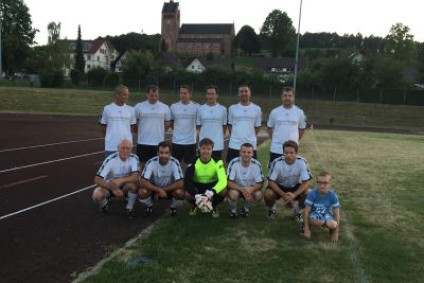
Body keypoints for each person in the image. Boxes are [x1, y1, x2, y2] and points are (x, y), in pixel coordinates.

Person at [264, 140, 312, 221]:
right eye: (286, 152)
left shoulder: (302, 162)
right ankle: (271, 209)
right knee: (268, 194)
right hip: (280, 186)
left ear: (296, 153)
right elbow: (271, 181)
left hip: (295, 185)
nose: (288, 155)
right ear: (283, 152)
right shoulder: (277, 162)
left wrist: (294, 194)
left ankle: (298, 210)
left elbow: (306, 182)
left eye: (291, 153)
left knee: (310, 193)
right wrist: (283, 194)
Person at [92, 139, 140, 218]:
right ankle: (104, 204)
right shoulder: (110, 160)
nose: (125, 150)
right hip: (110, 186)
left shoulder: (134, 158)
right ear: (118, 148)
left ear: (131, 149)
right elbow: (97, 179)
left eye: (128, 148)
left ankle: (129, 208)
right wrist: (114, 189)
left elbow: (136, 176)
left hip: (125, 186)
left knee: (134, 185)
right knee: (97, 194)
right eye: (123, 148)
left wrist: (121, 180)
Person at [138, 141, 185, 217]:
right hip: (153, 189)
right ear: (157, 153)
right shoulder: (151, 162)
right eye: (161, 152)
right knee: (142, 192)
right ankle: (149, 205)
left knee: (180, 193)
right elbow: (143, 181)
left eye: (166, 153)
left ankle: (173, 207)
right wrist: (158, 190)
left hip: (169, 189)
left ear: (170, 153)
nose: (164, 155)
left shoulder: (174, 162)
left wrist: (163, 190)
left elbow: (180, 182)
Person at [184, 138, 227, 217]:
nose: (206, 151)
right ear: (199, 149)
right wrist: (197, 196)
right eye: (203, 148)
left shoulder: (218, 161)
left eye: (208, 149)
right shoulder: (193, 161)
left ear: (212, 150)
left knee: (223, 190)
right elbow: (187, 181)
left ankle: (214, 206)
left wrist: (211, 193)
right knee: (187, 194)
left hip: (212, 185)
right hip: (197, 185)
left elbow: (223, 180)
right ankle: (196, 205)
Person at [134, 85, 171, 172]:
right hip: (143, 142)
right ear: (147, 94)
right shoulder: (138, 107)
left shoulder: (165, 107)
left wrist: (159, 132)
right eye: (151, 95)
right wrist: (140, 132)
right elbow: (133, 123)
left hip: (158, 143)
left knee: (158, 166)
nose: (154, 98)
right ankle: (142, 183)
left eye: (156, 95)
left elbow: (168, 123)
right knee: (142, 165)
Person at [267, 87, 306, 165]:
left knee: (291, 174)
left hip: (292, 150)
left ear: (293, 97)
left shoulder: (299, 112)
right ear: (282, 97)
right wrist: (274, 140)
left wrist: (295, 142)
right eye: (285, 95)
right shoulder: (275, 112)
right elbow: (269, 128)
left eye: (290, 95)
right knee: (274, 174)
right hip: (276, 149)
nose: (287, 98)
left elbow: (302, 129)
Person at [226, 143, 264, 219]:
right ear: (240, 153)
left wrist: (251, 189)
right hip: (236, 189)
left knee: (259, 195)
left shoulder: (257, 164)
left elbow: (260, 183)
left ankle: (245, 209)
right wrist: (242, 189)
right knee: (233, 194)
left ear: (252, 154)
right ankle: (233, 210)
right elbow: (228, 182)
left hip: (250, 189)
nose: (246, 154)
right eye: (244, 152)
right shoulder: (234, 163)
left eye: (249, 152)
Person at [226, 85, 262, 163]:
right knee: (232, 170)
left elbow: (258, 127)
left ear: (249, 93)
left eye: (246, 91)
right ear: (238, 94)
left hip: (250, 146)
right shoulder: (232, 108)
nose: (243, 93)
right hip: (234, 145)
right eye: (241, 91)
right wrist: (236, 136)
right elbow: (230, 125)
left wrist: (250, 136)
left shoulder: (257, 109)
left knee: (251, 170)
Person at [99, 85, 136, 157]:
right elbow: (103, 126)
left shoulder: (131, 109)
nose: (126, 97)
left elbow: (132, 127)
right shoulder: (107, 108)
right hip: (111, 145)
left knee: (126, 167)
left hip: (126, 145)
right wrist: (109, 137)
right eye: (124, 95)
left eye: (127, 95)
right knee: (111, 167)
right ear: (117, 95)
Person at [303, 172, 340, 243]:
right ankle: (308, 226)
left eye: (325, 183)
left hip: (326, 215)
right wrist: (306, 229)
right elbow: (306, 211)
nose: (322, 185)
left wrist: (336, 231)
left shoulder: (333, 196)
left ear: (329, 184)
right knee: (318, 221)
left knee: (333, 224)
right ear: (317, 183)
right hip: (314, 214)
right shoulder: (312, 194)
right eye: (319, 183)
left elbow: (336, 214)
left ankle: (331, 229)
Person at [170, 85, 199, 168]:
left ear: (190, 94)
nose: (182, 95)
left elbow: (198, 124)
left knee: (190, 166)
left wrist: (193, 133)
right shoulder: (173, 107)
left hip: (190, 142)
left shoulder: (196, 107)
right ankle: (177, 180)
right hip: (176, 142)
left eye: (185, 93)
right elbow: (172, 123)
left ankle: (188, 181)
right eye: (181, 93)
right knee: (175, 165)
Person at [196, 85, 227, 160]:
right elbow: (198, 126)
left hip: (217, 145)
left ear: (217, 95)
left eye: (213, 94)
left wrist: (218, 137)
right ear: (206, 95)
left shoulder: (223, 109)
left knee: (216, 169)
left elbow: (224, 126)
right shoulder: (200, 109)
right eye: (209, 94)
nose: (211, 96)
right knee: (202, 169)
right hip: (203, 146)